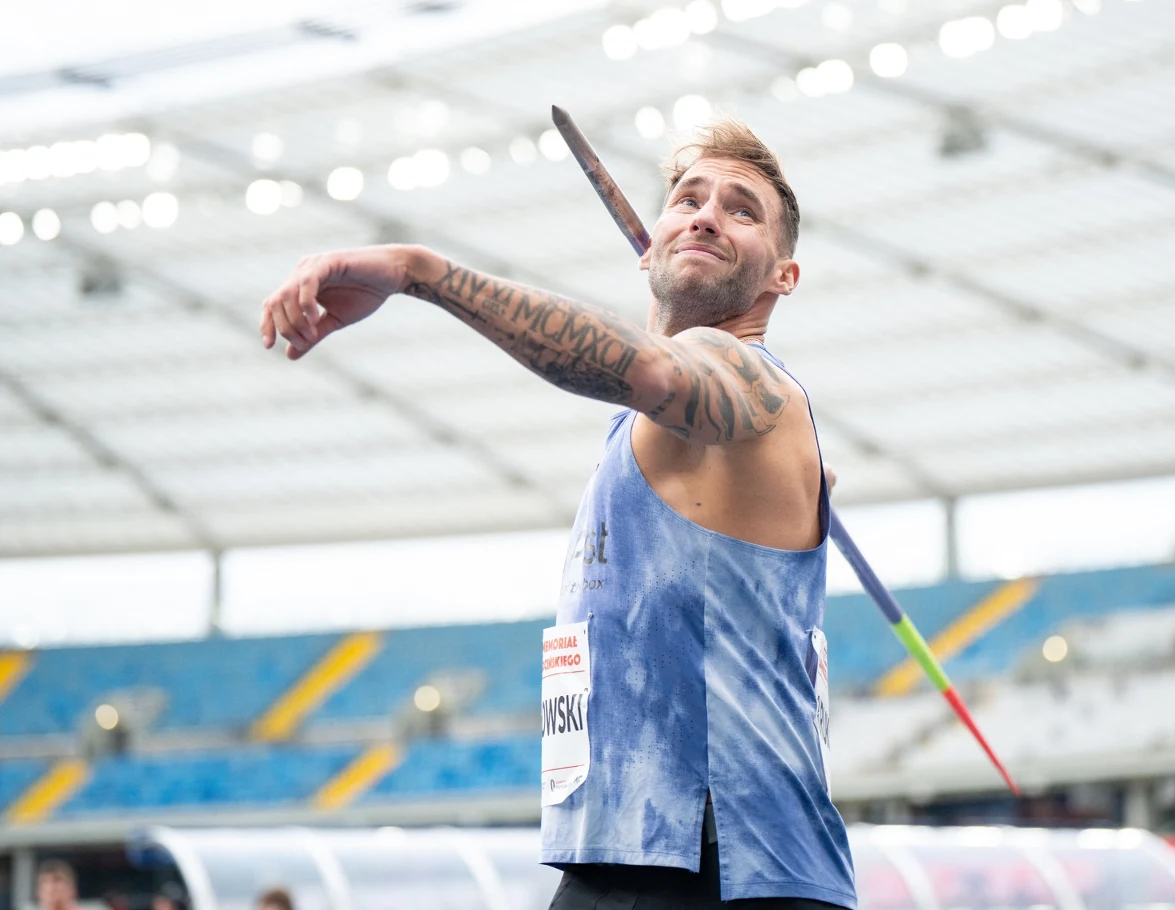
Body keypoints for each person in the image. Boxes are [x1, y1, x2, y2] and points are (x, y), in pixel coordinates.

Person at [260, 119, 855, 909]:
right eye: (687, 199)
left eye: (742, 209)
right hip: (630, 851)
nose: (707, 214)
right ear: (651, 248)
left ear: (784, 275)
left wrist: (416, 270)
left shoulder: (747, 380)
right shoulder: (684, 423)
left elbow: (650, 367)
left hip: (724, 865)